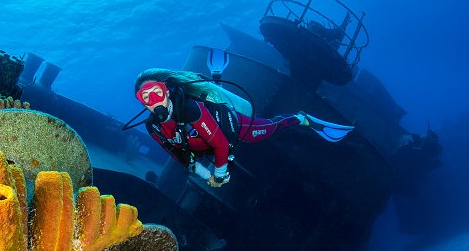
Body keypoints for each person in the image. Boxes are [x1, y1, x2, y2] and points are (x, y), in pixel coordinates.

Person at [133, 68, 352, 188]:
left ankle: (302, 119)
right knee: (217, 153)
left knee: (268, 129)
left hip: (232, 126)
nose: (154, 101)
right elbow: (181, 156)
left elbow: (220, 143)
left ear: (167, 91)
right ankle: (216, 79)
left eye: (157, 92)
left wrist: (218, 176)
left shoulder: (190, 108)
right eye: (146, 98)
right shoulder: (154, 129)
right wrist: (205, 175)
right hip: (205, 144)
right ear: (142, 103)